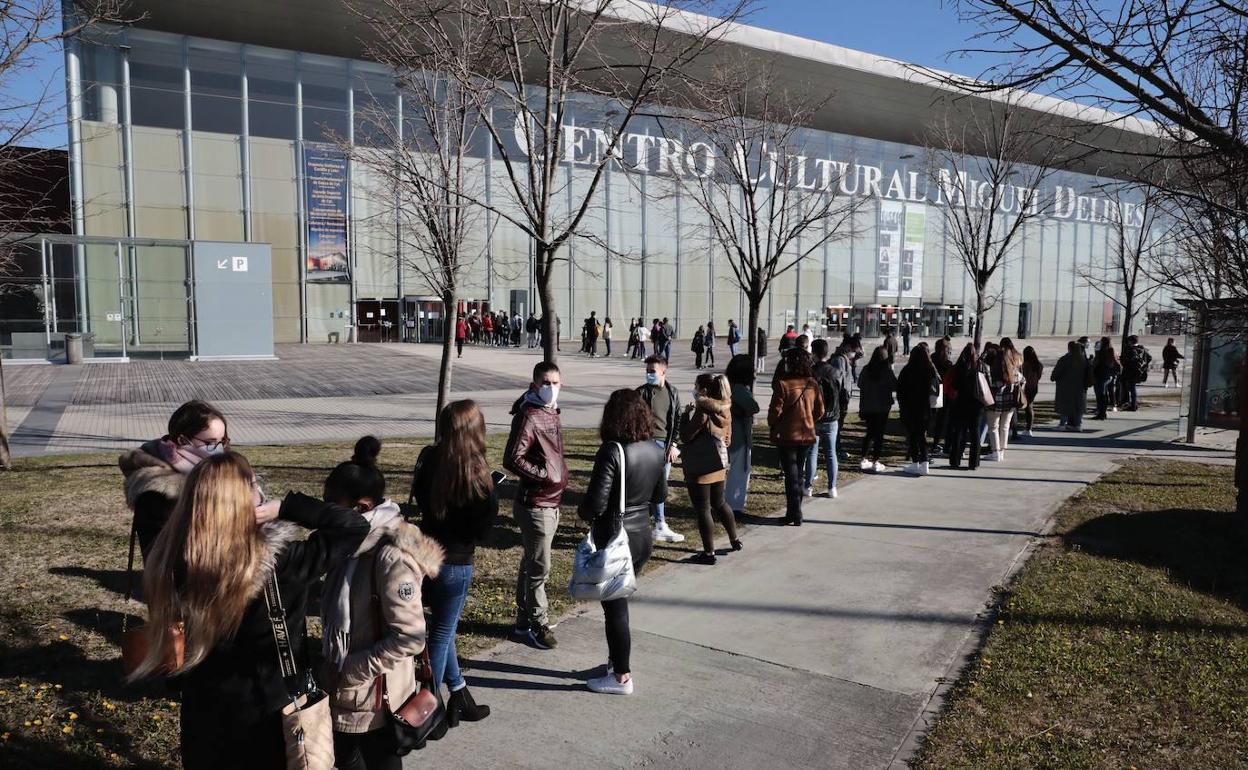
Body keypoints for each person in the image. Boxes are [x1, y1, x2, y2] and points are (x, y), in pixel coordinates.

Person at [130, 452, 368, 770]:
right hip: (269, 704)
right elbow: (352, 526)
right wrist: (287, 507)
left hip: (204, 706)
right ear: (245, 498)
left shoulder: (172, 558)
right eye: (255, 483)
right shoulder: (282, 561)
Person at [321, 439, 447, 769]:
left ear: (361, 508)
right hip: (348, 693)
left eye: (331, 508)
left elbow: (409, 637)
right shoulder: (349, 546)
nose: (324, 517)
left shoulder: (390, 558)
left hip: (377, 699)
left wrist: (351, 669)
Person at [413, 403, 498, 727]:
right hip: (456, 563)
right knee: (441, 634)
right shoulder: (478, 474)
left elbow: (421, 500)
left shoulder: (430, 458)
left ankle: (460, 695)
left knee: (442, 631)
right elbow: (484, 529)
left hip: (427, 556)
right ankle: (429, 708)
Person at [577, 390, 667, 695]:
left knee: (615, 608)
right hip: (642, 534)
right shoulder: (655, 448)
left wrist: (581, 510)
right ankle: (616, 663)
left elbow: (595, 504)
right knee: (618, 603)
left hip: (617, 536)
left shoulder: (612, 451)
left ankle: (621, 677)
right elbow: (660, 496)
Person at [503, 361, 568, 650]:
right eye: (545, 382)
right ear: (534, 385)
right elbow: (513, 458)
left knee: (531, 562)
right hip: (536, 503)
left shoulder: (550, 412)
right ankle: (537, 624)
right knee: (540, 568)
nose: (550, 388)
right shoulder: (530, 415)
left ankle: (522, 621)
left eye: (555, 382)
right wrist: (545, 477)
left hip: (549, 501)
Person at [120, 400, 230, 565]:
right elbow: (168, 557)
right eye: (210, 443)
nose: (219, 448)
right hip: (193, 576)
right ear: (183, 440)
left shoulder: (223, 468)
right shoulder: (157, 490)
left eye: (223, 441)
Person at [679, 373, 742, 563]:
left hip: (701, 465)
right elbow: (728, 437)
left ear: (704, 391)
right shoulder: (725, 407)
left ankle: (709, 553)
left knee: (703, 509)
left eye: (697, 386)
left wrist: (684, 416)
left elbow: (686, 436)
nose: (695, 388)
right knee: (720, 503)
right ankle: (735, 539)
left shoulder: (703, 410)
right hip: (719, 463)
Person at [767, 349, 824, 526]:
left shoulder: (783, 384)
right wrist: (809, 420)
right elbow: (820, 411)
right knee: (798, 473)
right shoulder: (812, 383)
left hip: (787, 435)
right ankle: (795, 511)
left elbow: (774, 412)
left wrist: (774, 424)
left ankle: (794, 512)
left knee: (791, 475)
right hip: (806, 433)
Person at [636, 356, 685, 543]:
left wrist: (673, 444)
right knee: (648, 485)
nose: (649, 374)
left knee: (660, 485)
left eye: (652, 371)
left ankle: (658, 523)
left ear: (663, 371)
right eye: (647, 371)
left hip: (665, 445)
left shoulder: (673, 392)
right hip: (649, 443)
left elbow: (677, 419)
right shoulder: (641, 393)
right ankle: (655, 522)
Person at [809, 338, 845, 496]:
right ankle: (832, 487)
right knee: (831, 453)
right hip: (832, 417)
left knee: (812, 452)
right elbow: (842, 394)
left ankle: (808, 486)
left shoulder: (811, 372)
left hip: (815, 417)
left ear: (814, 353)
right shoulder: (836, 372)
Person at [724, 354, 759, 517]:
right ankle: (735, 506)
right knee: (740, 472)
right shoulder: (739, 389)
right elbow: (754, 407)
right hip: (739, 436)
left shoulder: (727, 385)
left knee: (733, 472)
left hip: (730, 434)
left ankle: (730, 503)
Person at [896, 343, 937, 476]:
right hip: (925, 408)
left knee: (912, 436)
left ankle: (915, 463)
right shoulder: (930, 370)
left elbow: (900, 390)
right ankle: (925, 463)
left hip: (910, 408)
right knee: (922, 436)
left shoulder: (907, 371)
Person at [857, 346, 897, 473]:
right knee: (879, 435)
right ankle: (876, 461)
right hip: (882, 407)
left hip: (867, 406)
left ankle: (863, 459)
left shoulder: (866, 369)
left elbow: (859, 384)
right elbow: (895, 385)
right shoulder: (887, 371)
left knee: (869, 433)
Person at [947, 343, 985, 470]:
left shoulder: (960, 367)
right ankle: (974, 462)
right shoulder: (980, 366)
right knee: (975, 433)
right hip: (976, 403)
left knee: (959, 432)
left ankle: (955, 460)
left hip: (961, 402)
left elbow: (955, 385)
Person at [984, 345, 1022, 462]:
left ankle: (995, 452)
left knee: (993, 427)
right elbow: (1022, 380)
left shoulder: (994, 371)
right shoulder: (1013, 370)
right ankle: (1002, 452)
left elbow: (992, 385)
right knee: (1005, 427)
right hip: (1010, 403)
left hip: (996, 403)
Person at [1051, 340, 1091, 431]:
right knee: (1078, 406)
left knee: (1065, 405)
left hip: (1065, 387)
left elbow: (1057, 372)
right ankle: (1077, 425)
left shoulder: (1065, 359)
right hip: (1080, 388)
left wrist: (1053, 377)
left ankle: (1062, 424)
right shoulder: (1084, 361)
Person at [929, 338, 953, 455]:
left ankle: (932, 441)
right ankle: (936, 442)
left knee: (931, 416)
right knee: (941, 419)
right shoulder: (947, 363)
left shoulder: (931, 359)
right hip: (943, 391)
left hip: (932, 390)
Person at [1091, 338, 1122, 420]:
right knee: (1104, 394)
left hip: (1101, 375)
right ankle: (1102, 412)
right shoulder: (1112, 351)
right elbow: (1118, 365)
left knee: (1100, 395)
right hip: (1108, 376)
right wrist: (1114, 373)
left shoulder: (1103, 352)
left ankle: (1101, 413)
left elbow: (1096, 363)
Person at [1119, 335, 1152, 411]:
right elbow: (1149, 358)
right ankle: (1132, 404)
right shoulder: (1142, 349)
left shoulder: (1131, 350)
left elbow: (1128, 361)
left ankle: (1133, 405)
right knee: (1132, 388)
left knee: (1131, 388)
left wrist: (1123, 361)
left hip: (1129, 371)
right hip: (1138, 372)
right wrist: (1144, 366)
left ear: (1130, 341)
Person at [1020, 346, 1044, 437]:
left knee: (1028, 408)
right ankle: (1029, 428)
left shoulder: (1026, 365)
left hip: (1027, 387)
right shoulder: (1039, 365)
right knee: (1030, 406)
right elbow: (1038, 377)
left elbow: (1023, 376)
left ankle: (1028, 428)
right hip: (1034, 387)